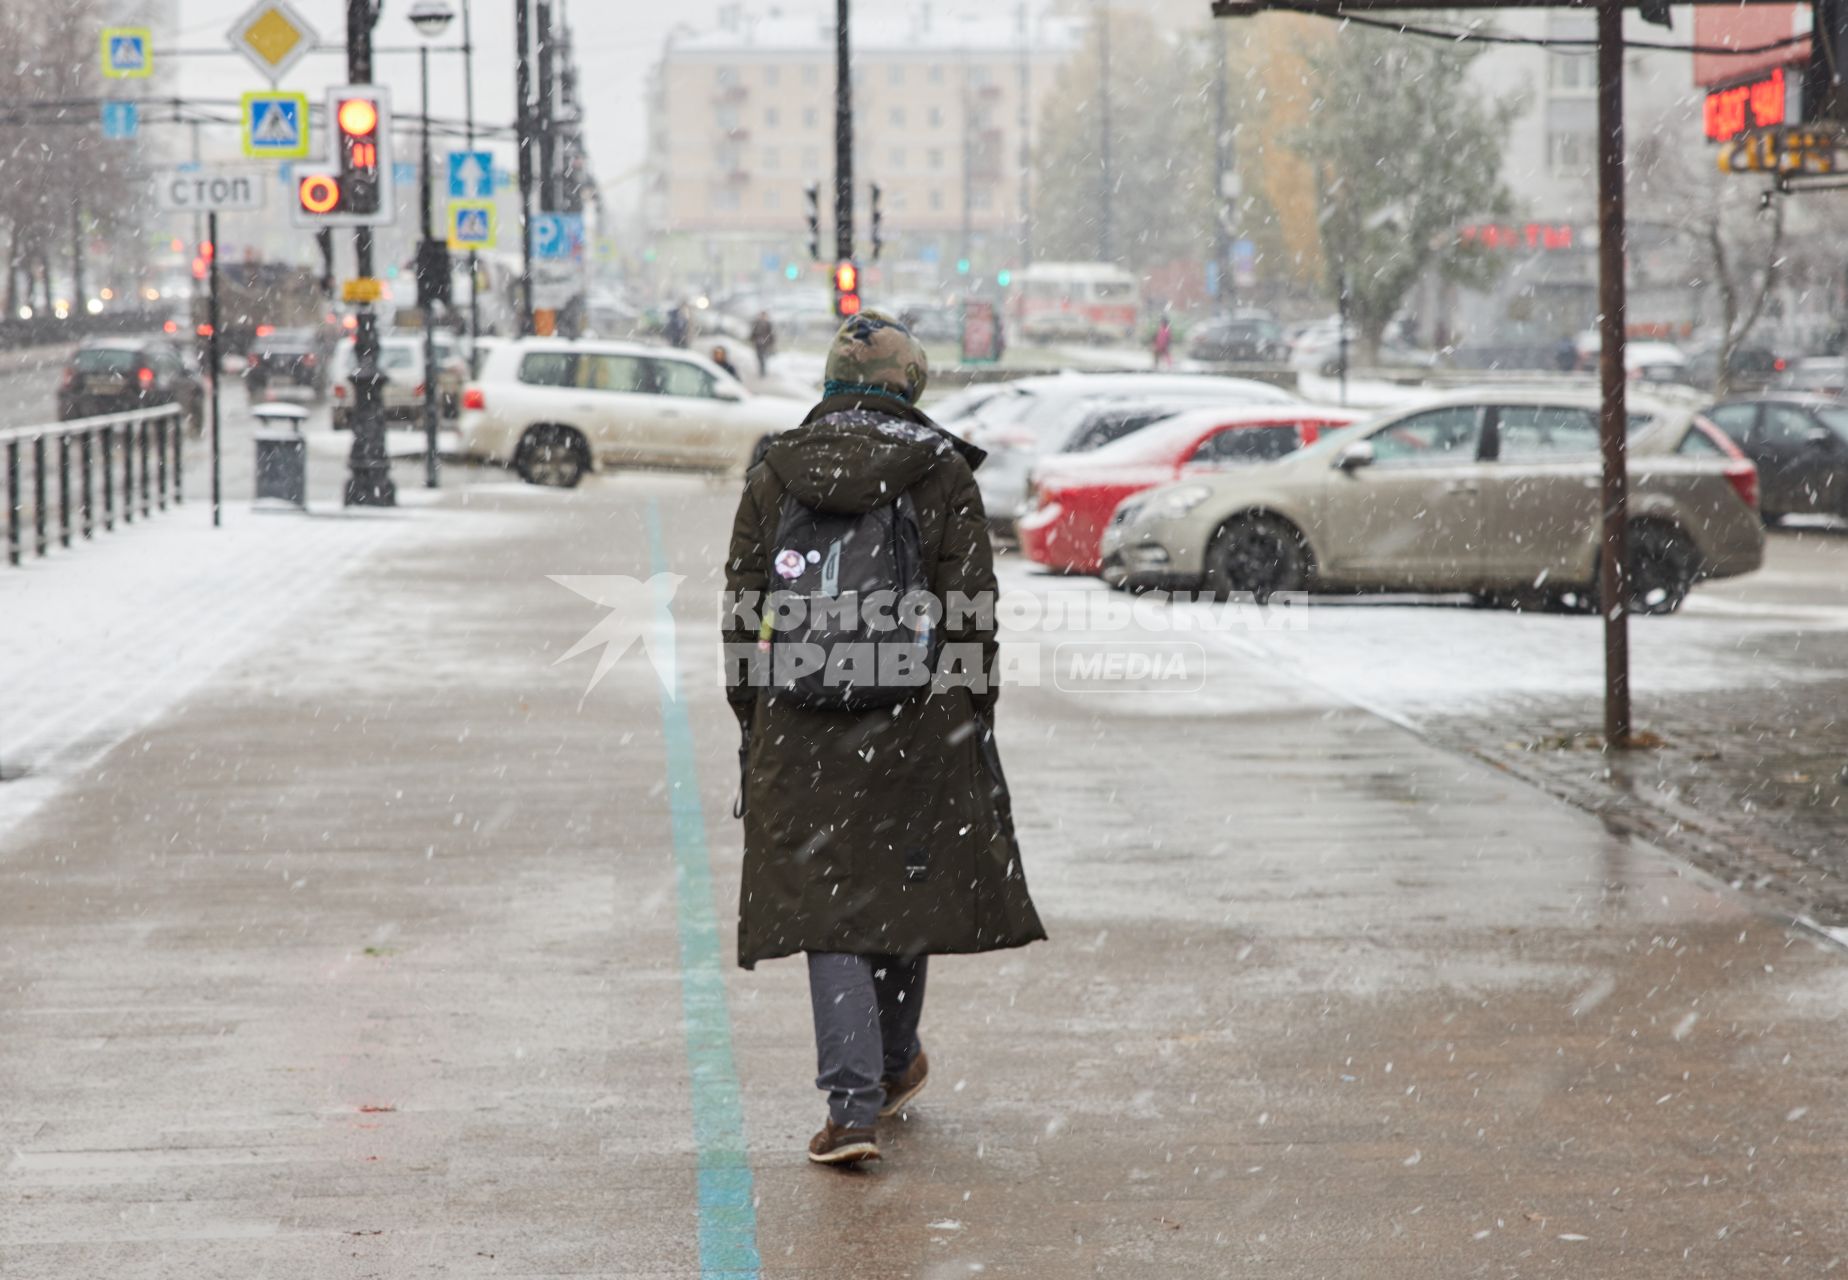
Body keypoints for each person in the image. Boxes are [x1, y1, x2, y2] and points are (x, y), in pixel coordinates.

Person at [723, 311, 1046, 1168]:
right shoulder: (940, 472)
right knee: (904, 885)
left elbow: (742, 606)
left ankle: (853, 1108)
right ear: (911, 385)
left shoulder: (774, 470)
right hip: (917, 719)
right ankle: (895, 1061)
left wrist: (751, 714)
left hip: (798, 718)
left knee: (827, 909)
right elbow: (971, 611)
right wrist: (972, 715)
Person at [750, 310, 776, 377]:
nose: (763, 317)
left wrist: (771, 342)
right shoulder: (756, 323)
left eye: (764, 316)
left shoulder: (768, 324)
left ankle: (763, 370)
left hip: (765, 344)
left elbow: (771, 334)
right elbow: (753, 333)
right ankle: (762, 369)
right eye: (762, 316)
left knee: (764, 357)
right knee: (759, 357)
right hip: (758, 343)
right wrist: (752, 338)